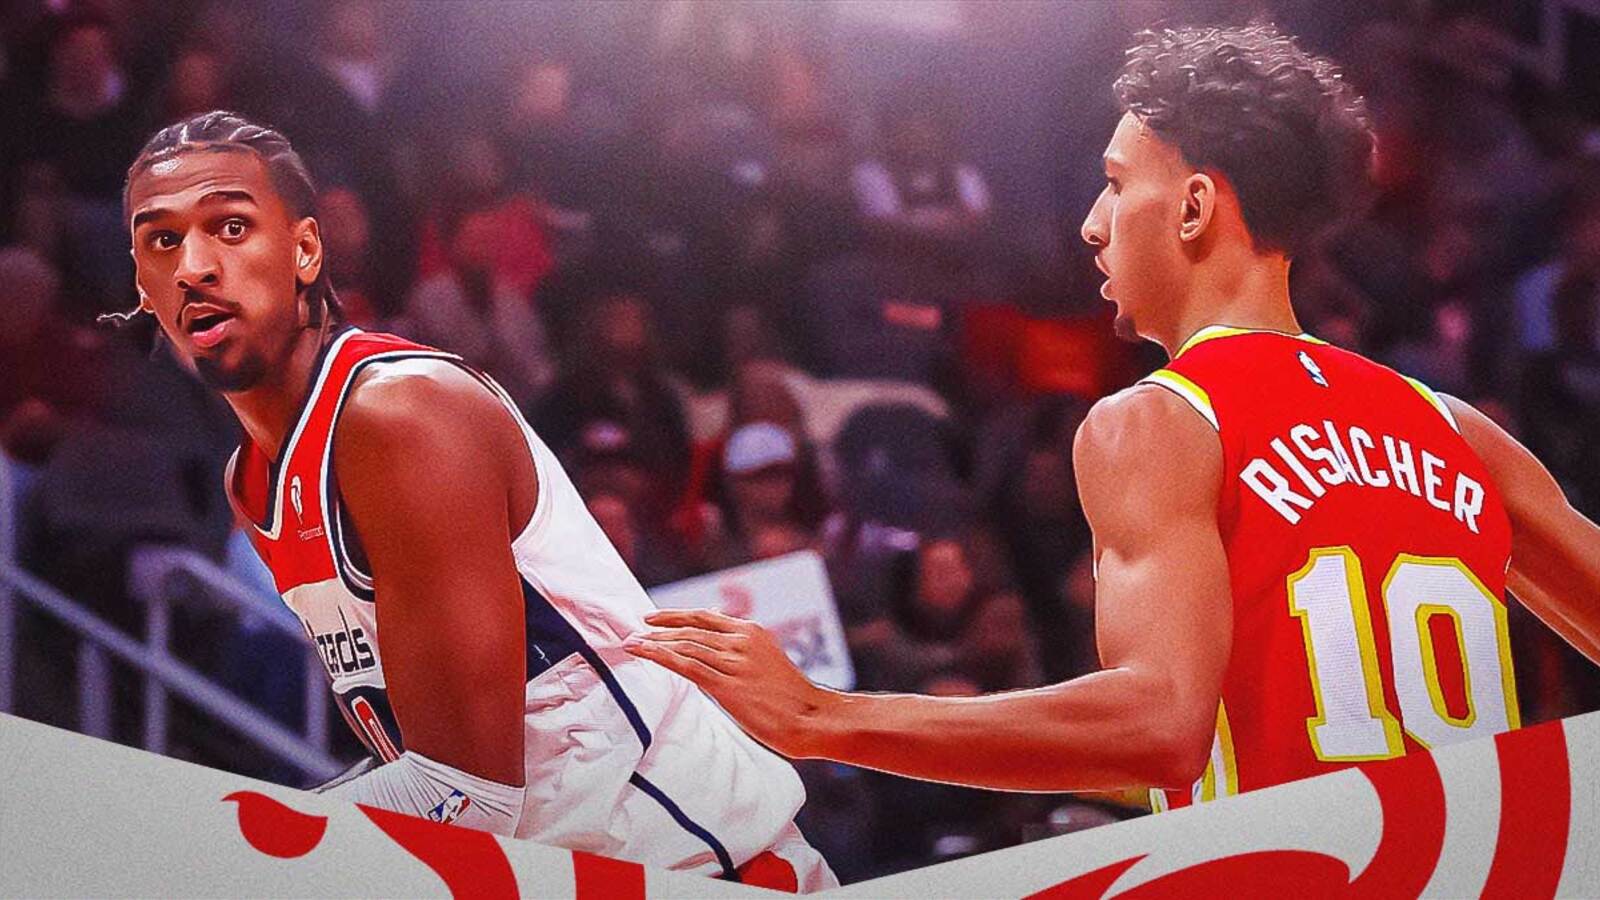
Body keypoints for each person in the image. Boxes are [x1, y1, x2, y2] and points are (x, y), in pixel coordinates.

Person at [628, 23, 1600, 811]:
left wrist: (821, 717)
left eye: (1117, 181)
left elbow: (1158, 726)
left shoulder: (1162, 421)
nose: (1093, 222)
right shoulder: (1458, 432)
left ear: (1192, 208)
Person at [118, 111, 834, 891]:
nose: (194, 266)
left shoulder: (401, 415)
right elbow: (431, 776)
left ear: (306, 250)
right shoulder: (255, 480)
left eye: (230, 227)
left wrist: (207, 856)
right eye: (163, 241)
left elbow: (467, 792)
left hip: (712, 871)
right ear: (143, 287)